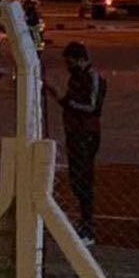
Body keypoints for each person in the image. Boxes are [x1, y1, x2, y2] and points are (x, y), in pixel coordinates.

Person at [43, 41, 106, 246]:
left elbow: (92, 107)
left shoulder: (93, 78)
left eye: (69, 61)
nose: (67, 66)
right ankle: (83, 222)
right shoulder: (76, 77)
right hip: (74, 133)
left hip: (86, 135)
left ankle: (88, 226)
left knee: (84, 180)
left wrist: (64, 100)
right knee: (76, 179)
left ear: (80, 59)